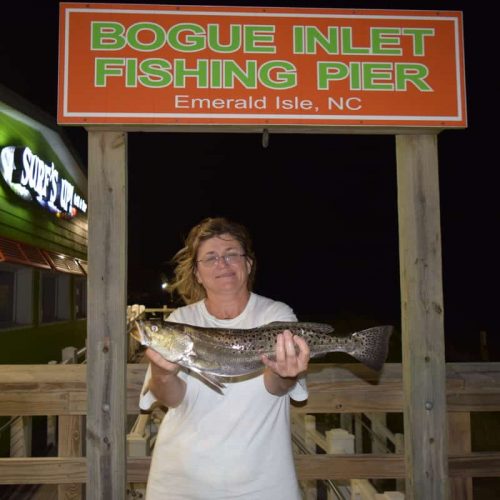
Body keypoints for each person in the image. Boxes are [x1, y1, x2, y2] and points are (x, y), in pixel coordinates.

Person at [140, 217, 310, 500]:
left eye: (232, 254)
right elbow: (172, 399)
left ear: (249, 264)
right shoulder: (180, 321)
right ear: (197, 272)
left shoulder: (276, 316)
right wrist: (163, 374)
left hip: (263, 483)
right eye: (211, 257)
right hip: (179, 482)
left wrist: (285, 372)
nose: (223, 263)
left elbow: (276, 387)